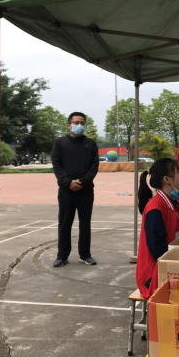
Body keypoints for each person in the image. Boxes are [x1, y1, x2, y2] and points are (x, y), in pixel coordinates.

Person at [51, 112, 99, 267]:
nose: (79, 125)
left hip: (86, 191)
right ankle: (62, 255)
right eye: (76, 122)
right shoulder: (60, 143)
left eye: (82, 123)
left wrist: (83, 181)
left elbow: (94, 166)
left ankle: (85, 255)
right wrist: (68, 182)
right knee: (64, 223)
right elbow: (57, 165)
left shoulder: (90, 144)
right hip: (66, 191)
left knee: (85, 223)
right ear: (69, 125)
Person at [136, 158, 179, 299]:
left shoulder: (171, 204)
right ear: (167, 180)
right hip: (153, 278)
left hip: (168, 268)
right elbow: (158, 248)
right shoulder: (156, 207)